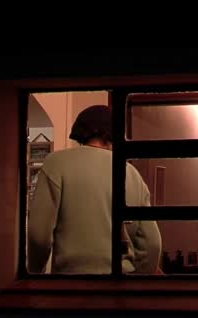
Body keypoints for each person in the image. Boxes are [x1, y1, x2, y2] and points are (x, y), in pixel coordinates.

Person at [27, 105, 162, 275]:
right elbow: (152, 244)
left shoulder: (56, 164)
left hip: (69, 284)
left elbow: (38, 236)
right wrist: (137, 279)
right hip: (121, 283)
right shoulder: (131, 173)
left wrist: (34, 273)